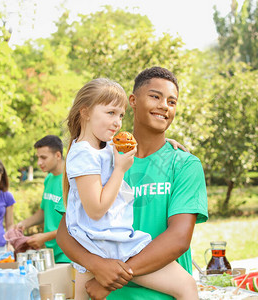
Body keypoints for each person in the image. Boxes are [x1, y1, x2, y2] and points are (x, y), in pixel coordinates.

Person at [57, 67, 208, 300]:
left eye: (172, 101)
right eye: (155, 97)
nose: (164, 106)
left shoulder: (184, 164)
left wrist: (111, 280)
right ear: (133, 101)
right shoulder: (102, 157)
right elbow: (67, 230)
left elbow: (178, 239)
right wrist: (97, 266)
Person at [16, 135, 70, 263]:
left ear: (58, 155)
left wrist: (44, 237)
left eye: (43, 158)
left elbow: (75, 224)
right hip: (50, 254)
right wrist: (23, 224)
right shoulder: (48, 179)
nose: (39, 162)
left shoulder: (70, 181)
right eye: (38, 158)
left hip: (68, 255)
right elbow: (43, 212)